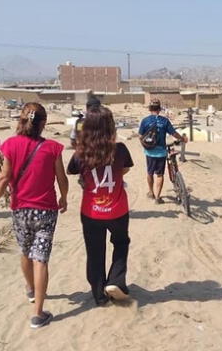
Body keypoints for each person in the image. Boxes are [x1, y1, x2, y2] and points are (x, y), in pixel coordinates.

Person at [0, 102, 68, 329]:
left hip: (20, 209)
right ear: (43, 124)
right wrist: (64, 197)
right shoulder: (53, 148)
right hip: (46, 211)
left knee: (25, 251)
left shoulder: (10, 145)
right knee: (41, 258)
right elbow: (62, 178)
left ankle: (31, 289)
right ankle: (38, 313)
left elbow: (3, 178)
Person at [67, 106, 134, 306]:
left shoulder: (81, 153)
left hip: (91, 211)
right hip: (117, 209)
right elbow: (126, 168)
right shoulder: (120, 149)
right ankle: (116, 281)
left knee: (94, 252)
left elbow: (72, 170)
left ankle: (98, 294)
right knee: (121, 243)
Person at [138, 99, 187, 204]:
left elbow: (140, 136)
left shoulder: (145, 121)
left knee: (150, 173)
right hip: (161, 153)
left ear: (150, 109)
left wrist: (146, 145)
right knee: (160, 175)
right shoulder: (164, 121)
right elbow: (174, 133)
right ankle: (157, 198)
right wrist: (182, 139)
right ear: (159, 109)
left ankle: (151, 192)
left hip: (149, 152)